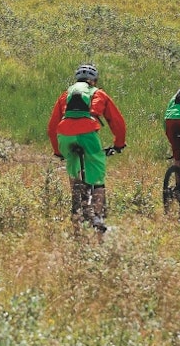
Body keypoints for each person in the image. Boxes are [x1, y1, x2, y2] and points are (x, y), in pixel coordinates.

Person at [47, 63, 127, 233]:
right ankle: (97, 216)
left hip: (65, 134)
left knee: (72, 169)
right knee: (97, 169)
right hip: (88, 132)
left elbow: (52, 125)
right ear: (94, 81)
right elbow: (117, 121)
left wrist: (58, 150)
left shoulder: (65, 95)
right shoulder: (98, 93)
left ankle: (76, 203)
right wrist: (119, 143)